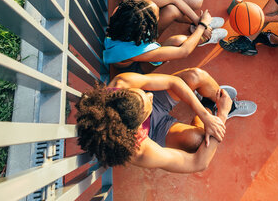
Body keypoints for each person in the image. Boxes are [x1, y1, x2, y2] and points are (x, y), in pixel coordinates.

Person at [75, 68, 257, 172]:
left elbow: (173, 82)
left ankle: (212, 107)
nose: (149, 96)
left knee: (195, 76)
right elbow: (198, 163)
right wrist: (221, 116)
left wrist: (205, 116)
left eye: (142, 93)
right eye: (147, 101)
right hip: (155, 131)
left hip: (140, 115)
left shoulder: (121, 84)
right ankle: (217, 107)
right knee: (198, 142)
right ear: (136, 126)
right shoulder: (139, 150)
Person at [104, 0, 227, 74]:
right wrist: (202, 26)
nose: (159, 17)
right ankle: (205, 36)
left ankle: (201, 26)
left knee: (171, 10)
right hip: (134, 67)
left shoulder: (129, 6)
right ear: (146, 28)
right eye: (156, 17)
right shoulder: (135, 51)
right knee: (178, 41)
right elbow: (184, 52)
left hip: (133, 40)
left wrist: (198, 20)